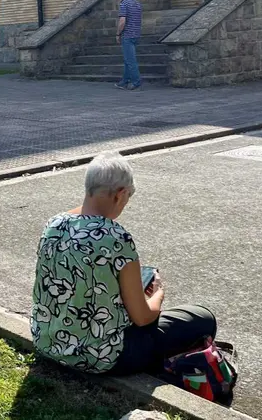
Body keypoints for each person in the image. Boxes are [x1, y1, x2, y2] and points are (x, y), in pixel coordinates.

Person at [31, 151, 216, 375]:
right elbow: (142, 317)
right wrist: (158, 294)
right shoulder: (117, 238)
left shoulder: (53, 224)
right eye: (129, 197)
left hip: (48, 343)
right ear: (120, 194)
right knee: (203, 319)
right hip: (100, 357)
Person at [115, 0, 143, 91]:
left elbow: (122, 21)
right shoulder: (137, 3)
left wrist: (118, 34)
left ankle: (136, 82)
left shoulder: (123, 4)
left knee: (130, 60)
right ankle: (124, 81)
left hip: (127, 35)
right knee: (128, 59)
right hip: (136, 34)